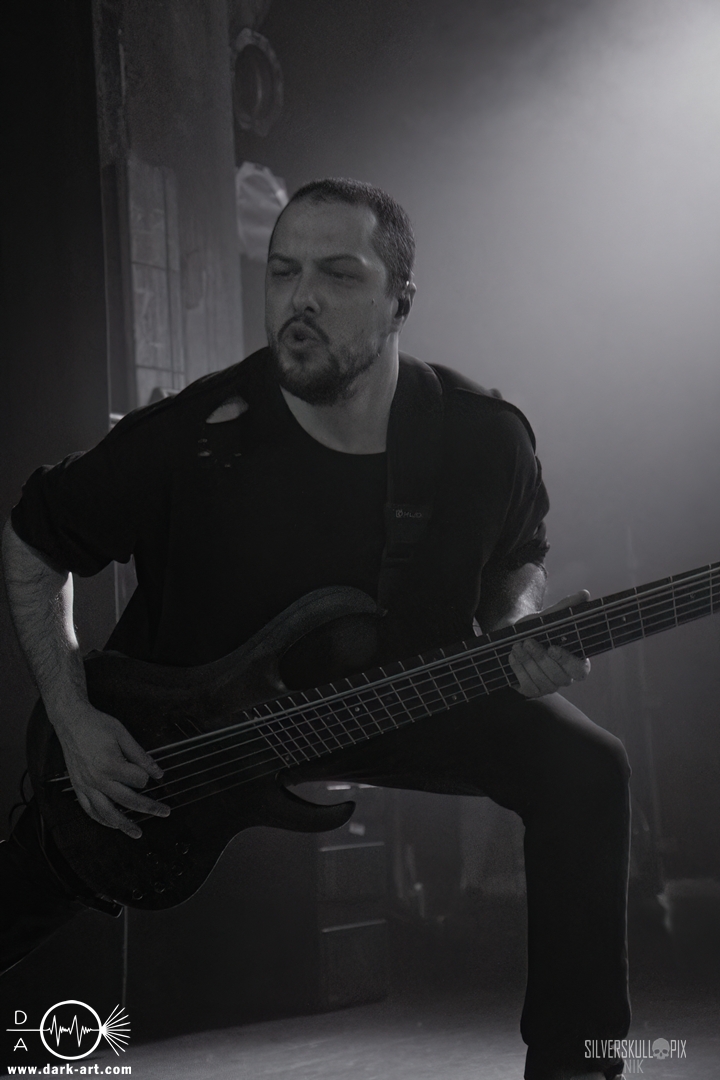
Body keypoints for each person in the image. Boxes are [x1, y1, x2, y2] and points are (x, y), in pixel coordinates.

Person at [2, 178, 630, 1080]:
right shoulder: (188, 436)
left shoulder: (483, 438)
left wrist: (514, 634)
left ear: (400, 302)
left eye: (338, 274)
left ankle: (581, 1063)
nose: (301, 298)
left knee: (586, 768)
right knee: (57, 862)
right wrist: (73, 719)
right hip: (192, 724)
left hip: (403, 692)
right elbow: (30, 544)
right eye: (283, 270)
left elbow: (518, 557)